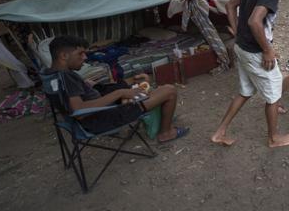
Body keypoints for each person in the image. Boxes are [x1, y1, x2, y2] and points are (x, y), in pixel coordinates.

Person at [211, 0, 289, 148]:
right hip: (254, 52)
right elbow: (254, 21)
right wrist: (267, 50)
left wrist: (237, 32)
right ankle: (273, 138)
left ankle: (220, 132)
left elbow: (230, 6)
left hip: (242, 47)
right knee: (274, 93)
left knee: (245, 91)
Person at [46, 35, 188, 143]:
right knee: (169, 90)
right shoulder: (67, 77)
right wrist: (120, 93)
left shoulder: (51, 75)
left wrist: (127, 84)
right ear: (64, 56)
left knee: (138, 85)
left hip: (95, 115)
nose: (85, 57)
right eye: (80, 53)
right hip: (103, 118)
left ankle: (150, 104)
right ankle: (165, 133)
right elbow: (79, 111)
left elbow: (77, 101)